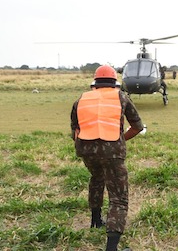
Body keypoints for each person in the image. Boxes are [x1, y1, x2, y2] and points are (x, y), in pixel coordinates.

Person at [71, 65, 144, 251]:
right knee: (118, 198)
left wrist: (87, 145)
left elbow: (75, 130)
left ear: (94, 83)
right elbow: (137, 127)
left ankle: (96, 221)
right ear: (114, 82)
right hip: (112, 151)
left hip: (86, 150)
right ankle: (111, 248)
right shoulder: (121, 97)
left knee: (97, 178)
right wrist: (120, 141)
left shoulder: (82, 98)